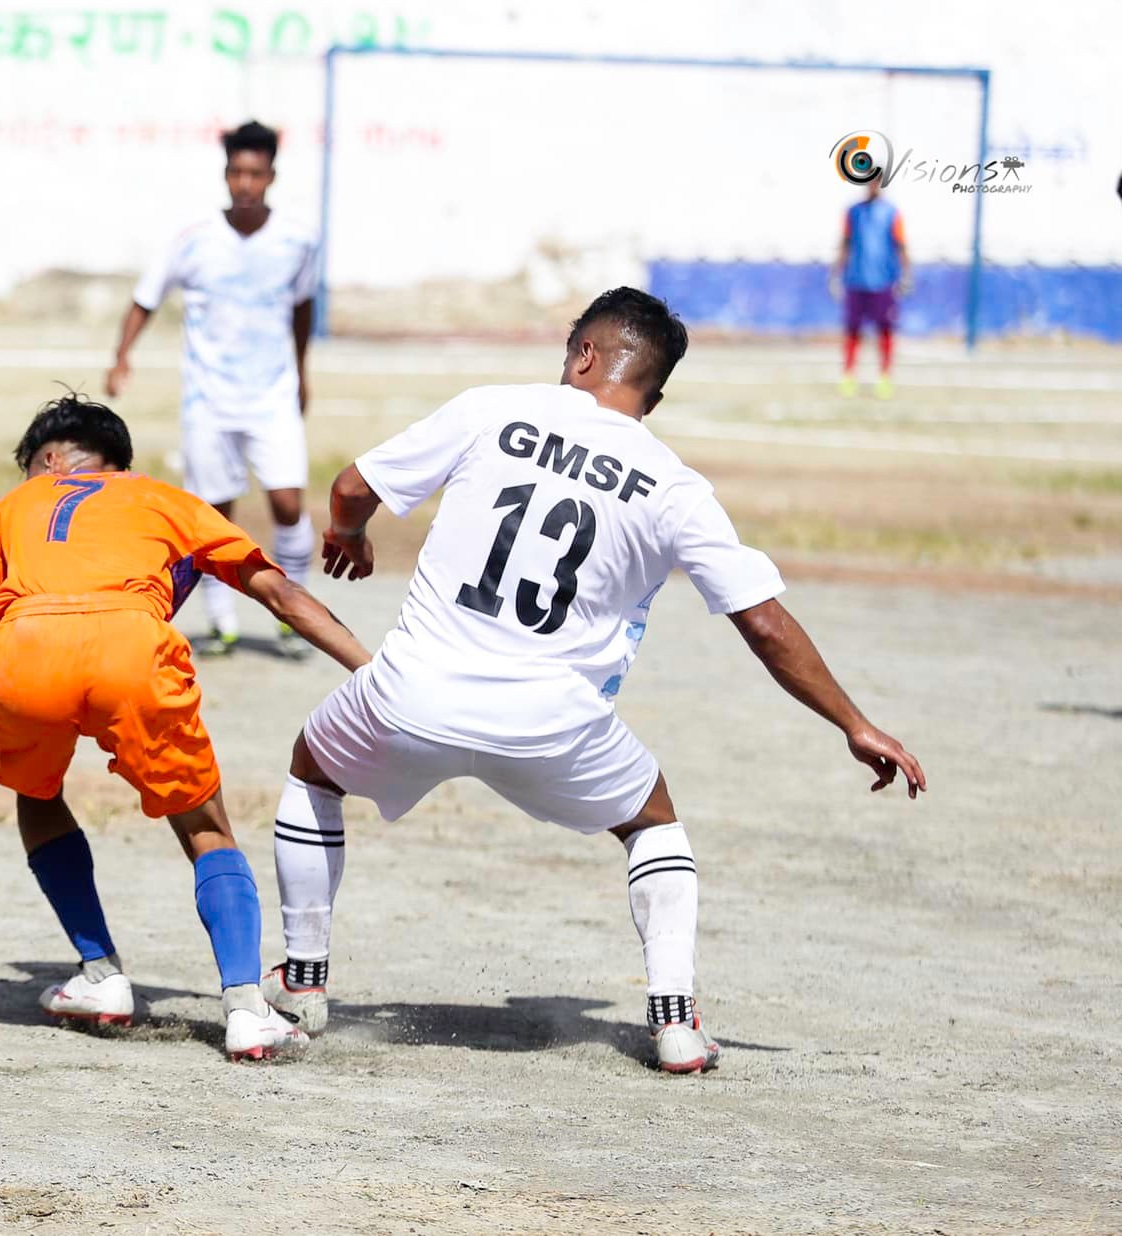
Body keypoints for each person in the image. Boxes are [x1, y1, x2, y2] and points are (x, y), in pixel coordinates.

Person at [258, 288, 926, 1074]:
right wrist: (853, 723)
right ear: (655, 396)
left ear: (583, 354)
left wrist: (350, 535)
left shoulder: (491, 410)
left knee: (313, 769)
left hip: (413, 697)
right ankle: (675, 1022)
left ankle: (303, 982)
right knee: (653, 822)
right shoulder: (673, 485)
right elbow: (766, 625)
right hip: (555, 724)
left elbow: (349, 488)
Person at [0, 395, 368, 1062]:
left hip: (22, 652)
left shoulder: (14, 506)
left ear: (48, 460)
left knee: (37, 795)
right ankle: (246, 1008)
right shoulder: (162, 498)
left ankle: (100, 974)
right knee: (204, 825)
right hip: (130, 648)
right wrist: (373, 670)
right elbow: (280, 593)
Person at [105, 119, 322, 659]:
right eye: (236, 172)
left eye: (255, 173)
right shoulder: (194, 239)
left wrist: (301, 372)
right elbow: (146, 298)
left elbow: (301, 309)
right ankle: (222, 623)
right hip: (209, 400)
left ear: (271, 176)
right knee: (214, 516)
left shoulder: (297, 241)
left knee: (287, 503)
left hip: (272, 396)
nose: (245, 183)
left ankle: (294, 615)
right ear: (225, 174)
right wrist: (122, 356)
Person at [831, 177, 910, 398]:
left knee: (885, 329)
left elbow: (901, 245)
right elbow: (845, 243)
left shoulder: (892, 213)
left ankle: (885, 377)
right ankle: (849, 376)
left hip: (884, 281)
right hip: (855, 279)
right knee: (852, 329)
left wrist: (906, 274)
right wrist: (836, 273)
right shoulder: (853, 212)